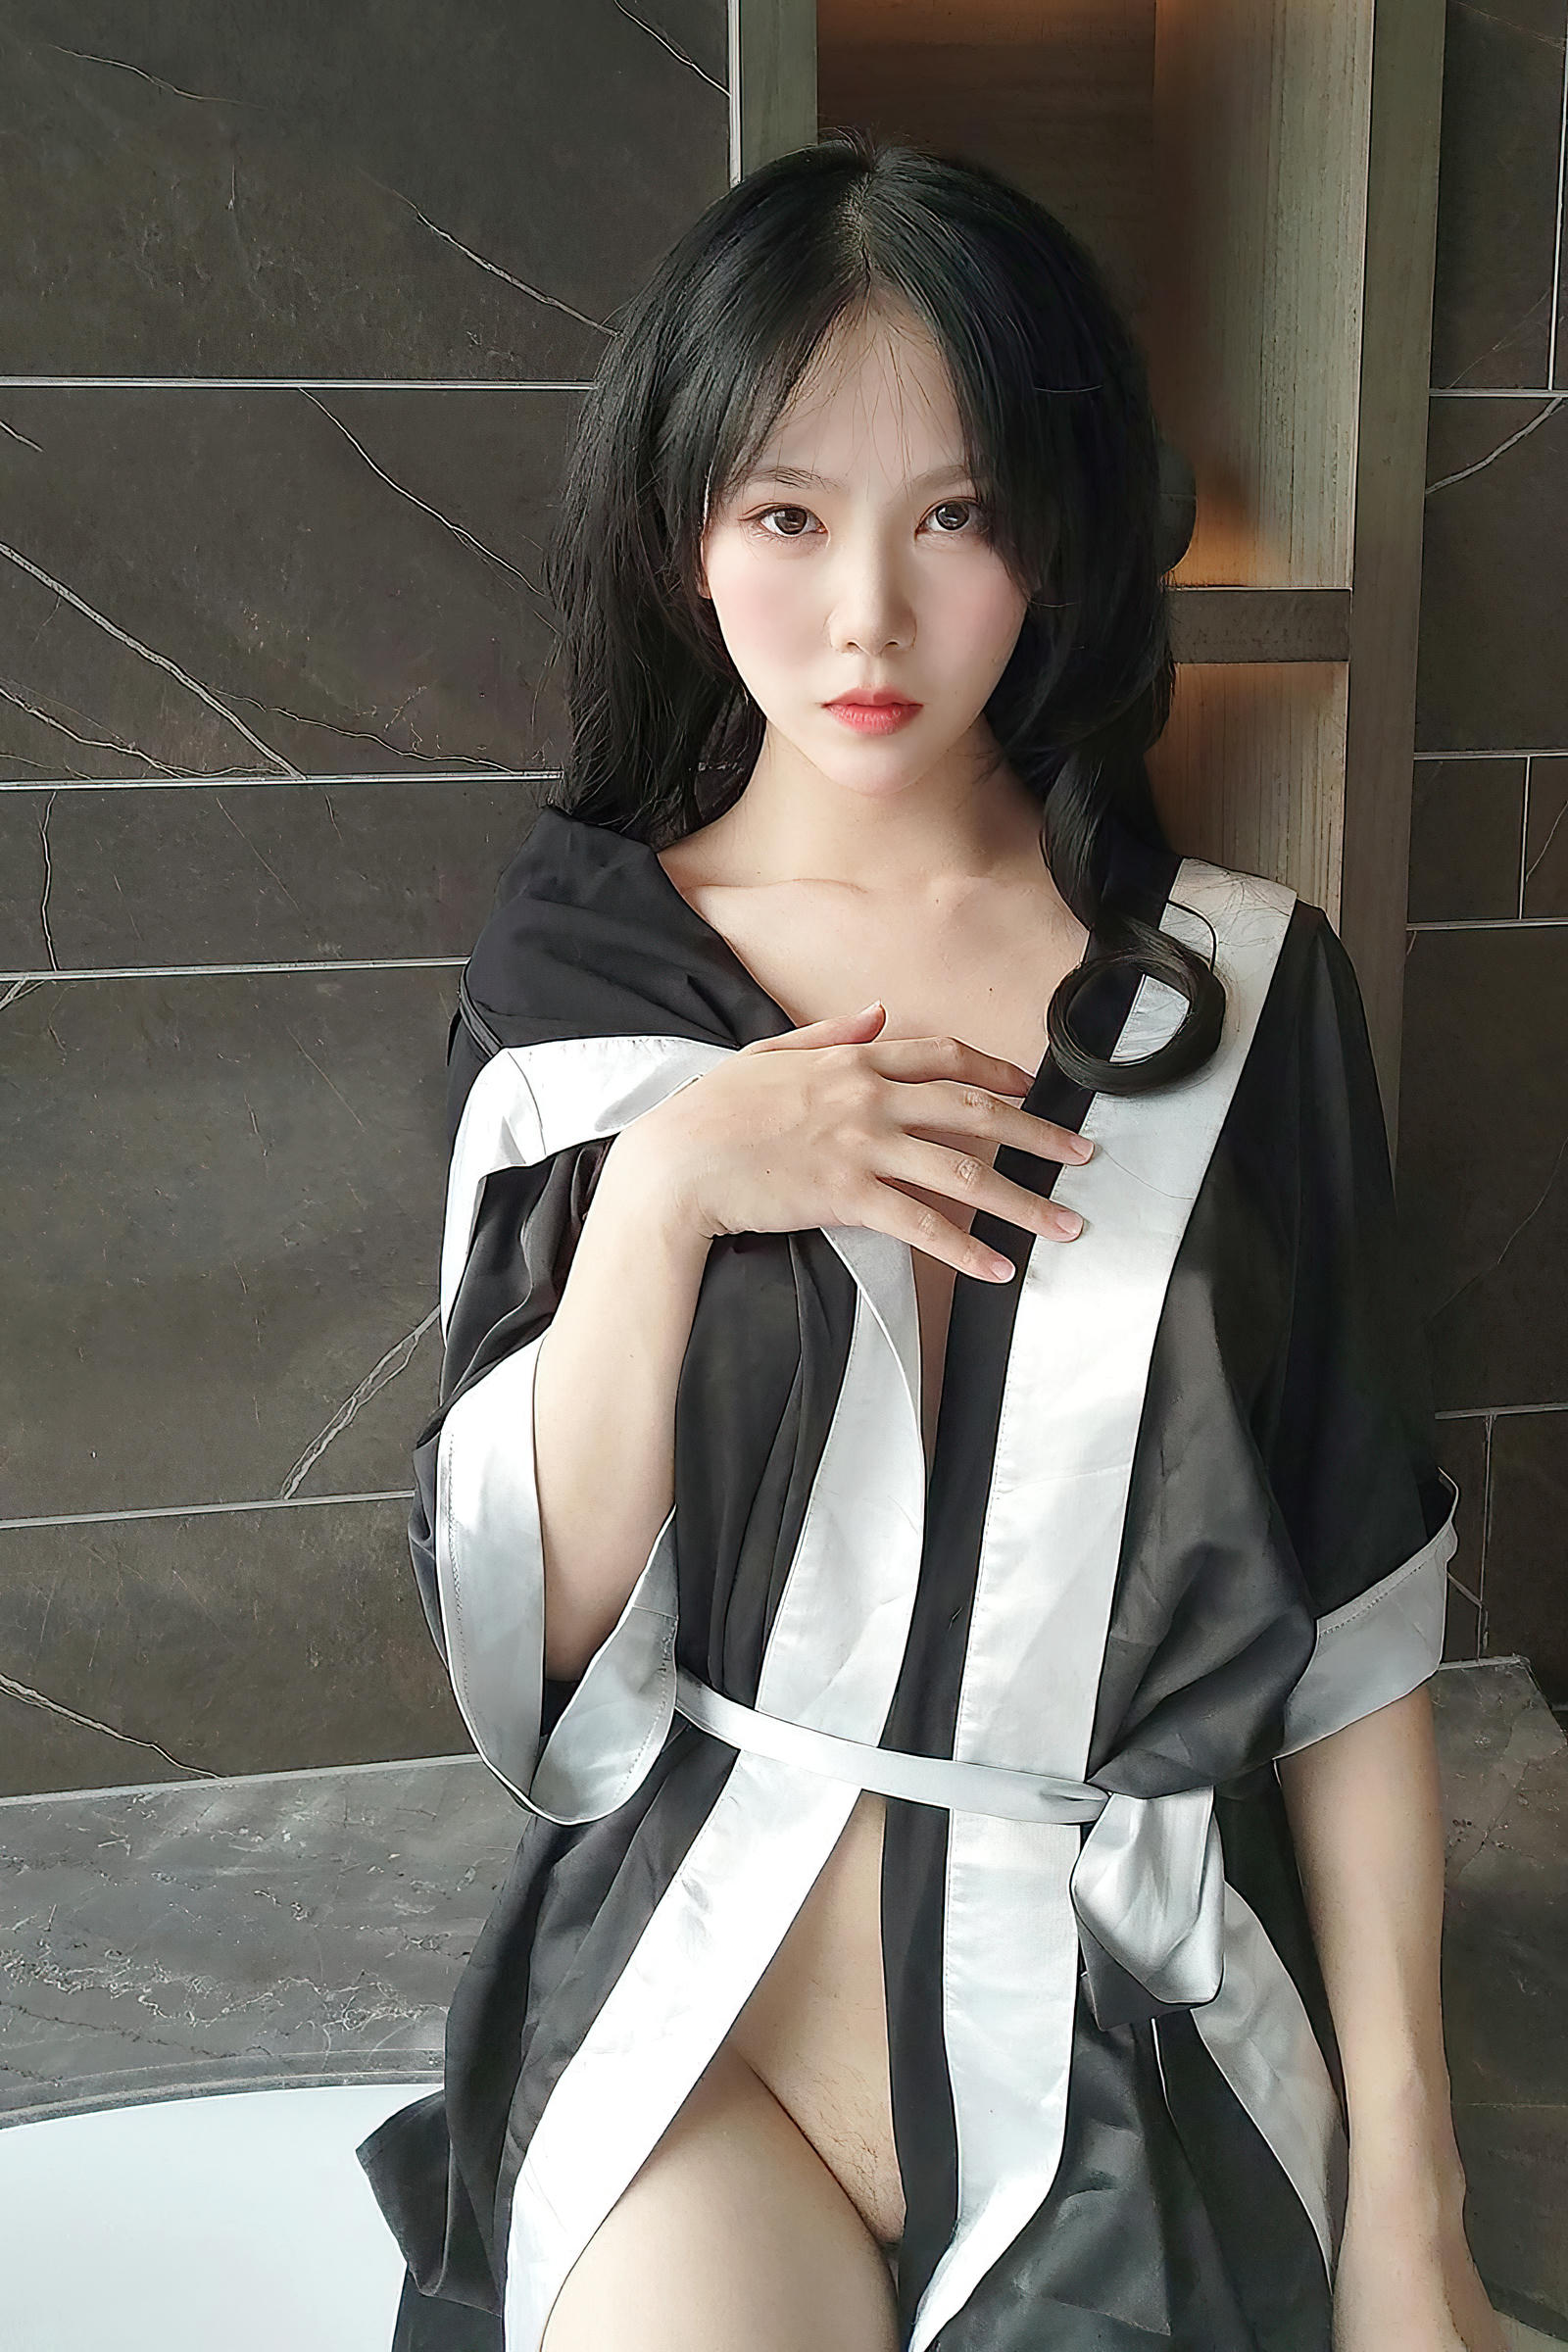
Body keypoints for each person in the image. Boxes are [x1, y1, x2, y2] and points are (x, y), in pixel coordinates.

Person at [357, 131, 1507, 2352]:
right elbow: (531, 1642)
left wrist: (1411, 2211)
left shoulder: (1244, 995)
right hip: (698, 2009)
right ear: (685, 532)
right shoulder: (584, 991)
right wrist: (675, 1191)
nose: (867, 617)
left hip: (1117, 2029)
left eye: (955, 515)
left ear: (1055, 533)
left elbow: (1358, 1638)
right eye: (787, 516)